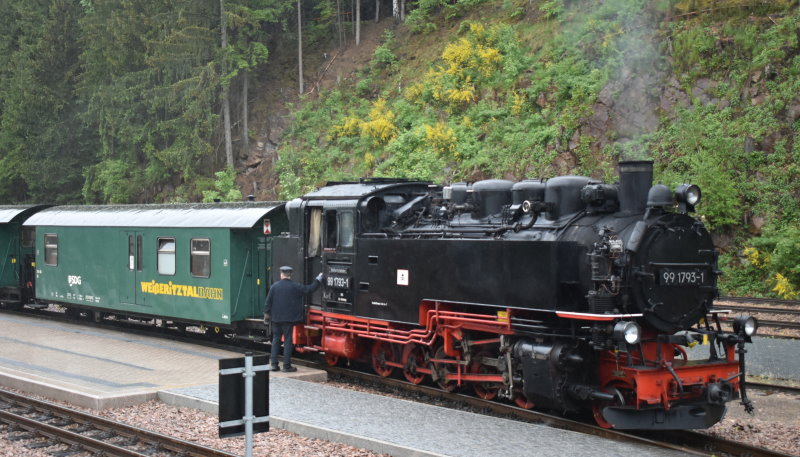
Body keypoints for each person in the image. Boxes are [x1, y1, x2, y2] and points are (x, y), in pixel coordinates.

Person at [264, 266, 323, 372]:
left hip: (276, 318)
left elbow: (268, 302)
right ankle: (286, 366)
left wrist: (267, 315)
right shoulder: (295, 286)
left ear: (281, 275)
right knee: (287, 341)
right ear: (290, 275)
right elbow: (310, 289)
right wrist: (318, 280)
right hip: (288, 320)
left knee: (276, 340)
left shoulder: (274, 286)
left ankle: (273, 365)